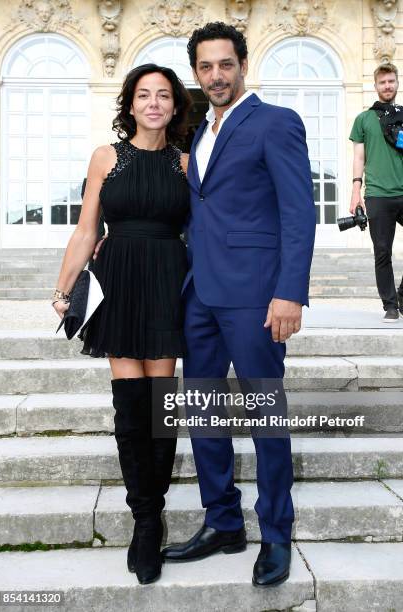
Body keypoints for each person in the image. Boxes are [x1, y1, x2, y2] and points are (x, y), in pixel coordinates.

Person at [161, 22, 316, 588]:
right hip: (199, 295)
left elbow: (300, 213)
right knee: (201, 413)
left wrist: (290, 291)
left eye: (225, 64)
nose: (216, 75)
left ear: (243, 64)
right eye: (205, 67)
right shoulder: (199, 130)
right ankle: (222, 521)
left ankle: (276, 532)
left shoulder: (275, 122)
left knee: (265, 417)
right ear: (196, 73)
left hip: (256, 298)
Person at [52, 63, 191, 585]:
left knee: (161, 405)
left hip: (166, 279)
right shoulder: (105, 157)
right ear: (129, 104)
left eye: (162, 95)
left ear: (175, 106)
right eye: (143, 95)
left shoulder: (186, 162)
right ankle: (144, 521)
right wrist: (64, 288)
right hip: (119, 280)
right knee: (129, 406)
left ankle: (151, 517)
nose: (153, 103)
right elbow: (87, 229)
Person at [349, 62, 403, 322]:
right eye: (383, 82)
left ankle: (402, 294)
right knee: (382, 250)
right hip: (378, 194)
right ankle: (390, 305)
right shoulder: (364, 119)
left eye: (391, 81)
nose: (387, 86)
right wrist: (355, 190)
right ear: (376, 86)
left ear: (397, 83)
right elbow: (359, 157)